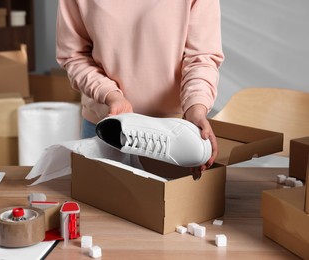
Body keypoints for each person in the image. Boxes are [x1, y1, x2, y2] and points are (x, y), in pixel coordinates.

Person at [56, 0, 224, 171]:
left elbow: (201, 58)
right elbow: (74, 56)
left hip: (173, 136)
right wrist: (109, 94)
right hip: (106, 127)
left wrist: (196, 108)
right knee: (95, 196)